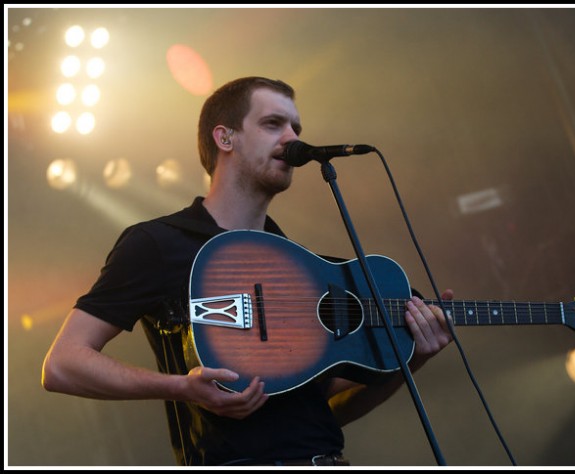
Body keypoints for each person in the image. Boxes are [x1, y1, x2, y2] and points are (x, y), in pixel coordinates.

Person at [41, 76, 454, 466]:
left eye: (295, 126)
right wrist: (181, 388)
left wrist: (411, 358)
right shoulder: (158, 243)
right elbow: (63, 364)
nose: (293, 138)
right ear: (225, 138)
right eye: (273, 123)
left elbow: (326, 411)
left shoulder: (303, 265)